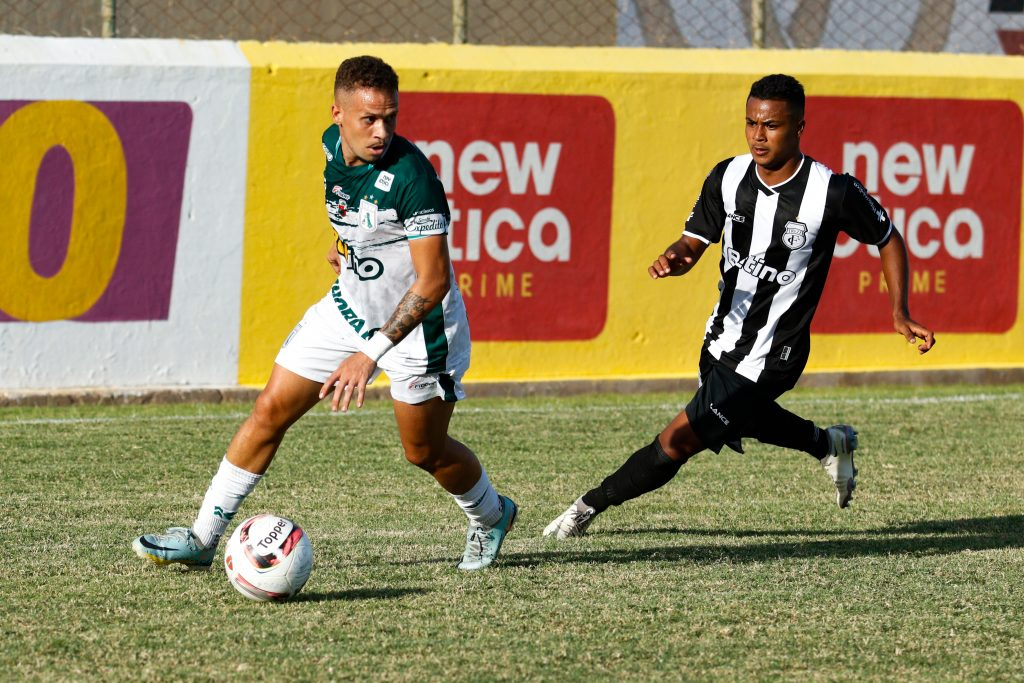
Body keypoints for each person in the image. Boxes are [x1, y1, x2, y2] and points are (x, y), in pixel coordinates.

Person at [133, 55, 516, 571]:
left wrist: (368, 356)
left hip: (421, 332)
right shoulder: (328, 147)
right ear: (337, 113)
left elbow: (434, 281)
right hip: (349, 306)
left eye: (390, 118)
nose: (382, 131)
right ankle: (203, 537)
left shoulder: (413, 178)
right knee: (270, 409)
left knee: (423, 451)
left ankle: (491, 515)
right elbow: (357, 215)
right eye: (369, 119)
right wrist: (350, 248)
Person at [544, 73, 934, 539]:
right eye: (751, 123)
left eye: (770, 125)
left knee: (678, 439)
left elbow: (887, 238)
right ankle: (829, 443)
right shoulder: (728, 176)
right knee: (739, 417)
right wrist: (676, 257)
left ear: (799, 127)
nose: (757, 135)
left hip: (776, 353)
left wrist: (899, 311)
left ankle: (586, 507)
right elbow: (693, 241)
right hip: (721, 338)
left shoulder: (831, 191)